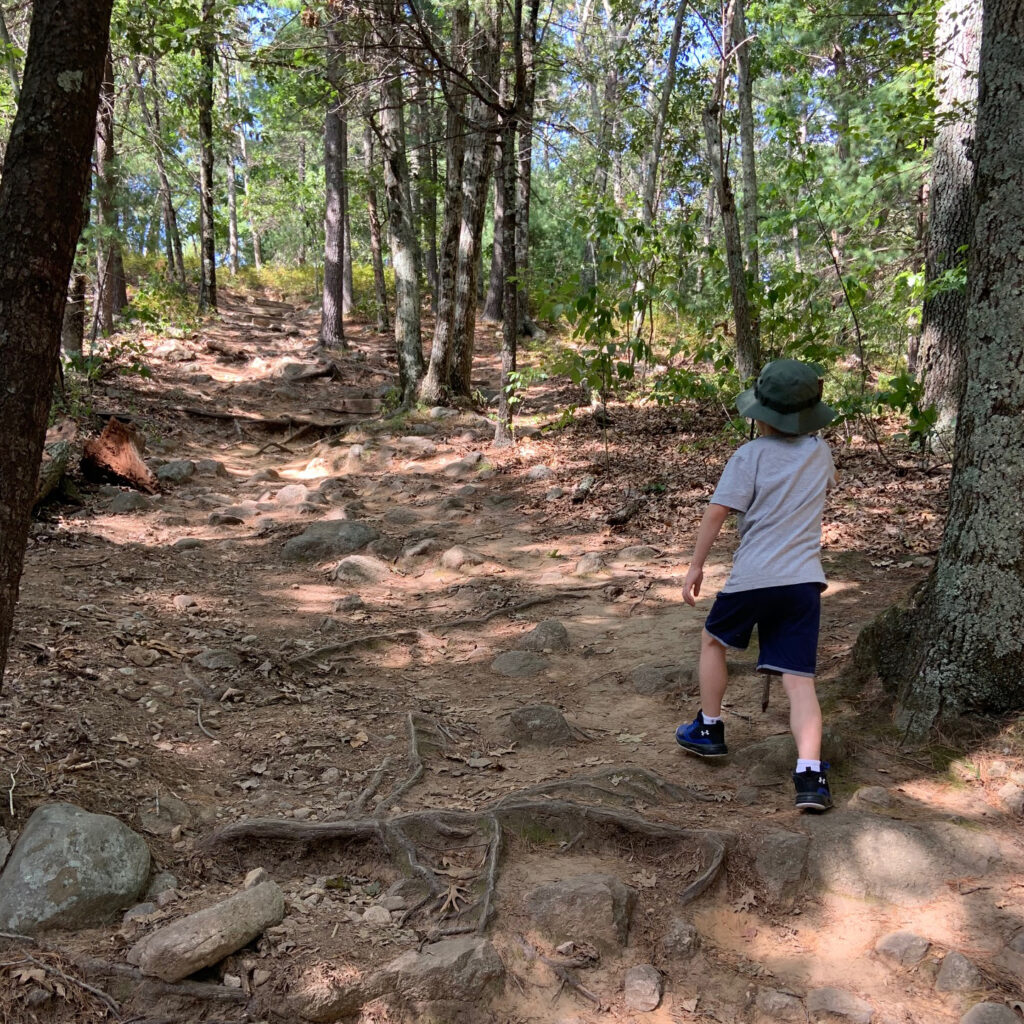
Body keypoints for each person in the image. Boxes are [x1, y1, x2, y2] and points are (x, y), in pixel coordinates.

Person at [675, 359, 837, 812]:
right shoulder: (820, 453)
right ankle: (810, 775)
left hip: (754, 578)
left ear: (761, 414)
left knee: (712, 641)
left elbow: (717, 512)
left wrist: (695, 566)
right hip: (804, 580)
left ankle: (709, 728)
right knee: (799, 680)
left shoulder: (749, 456)